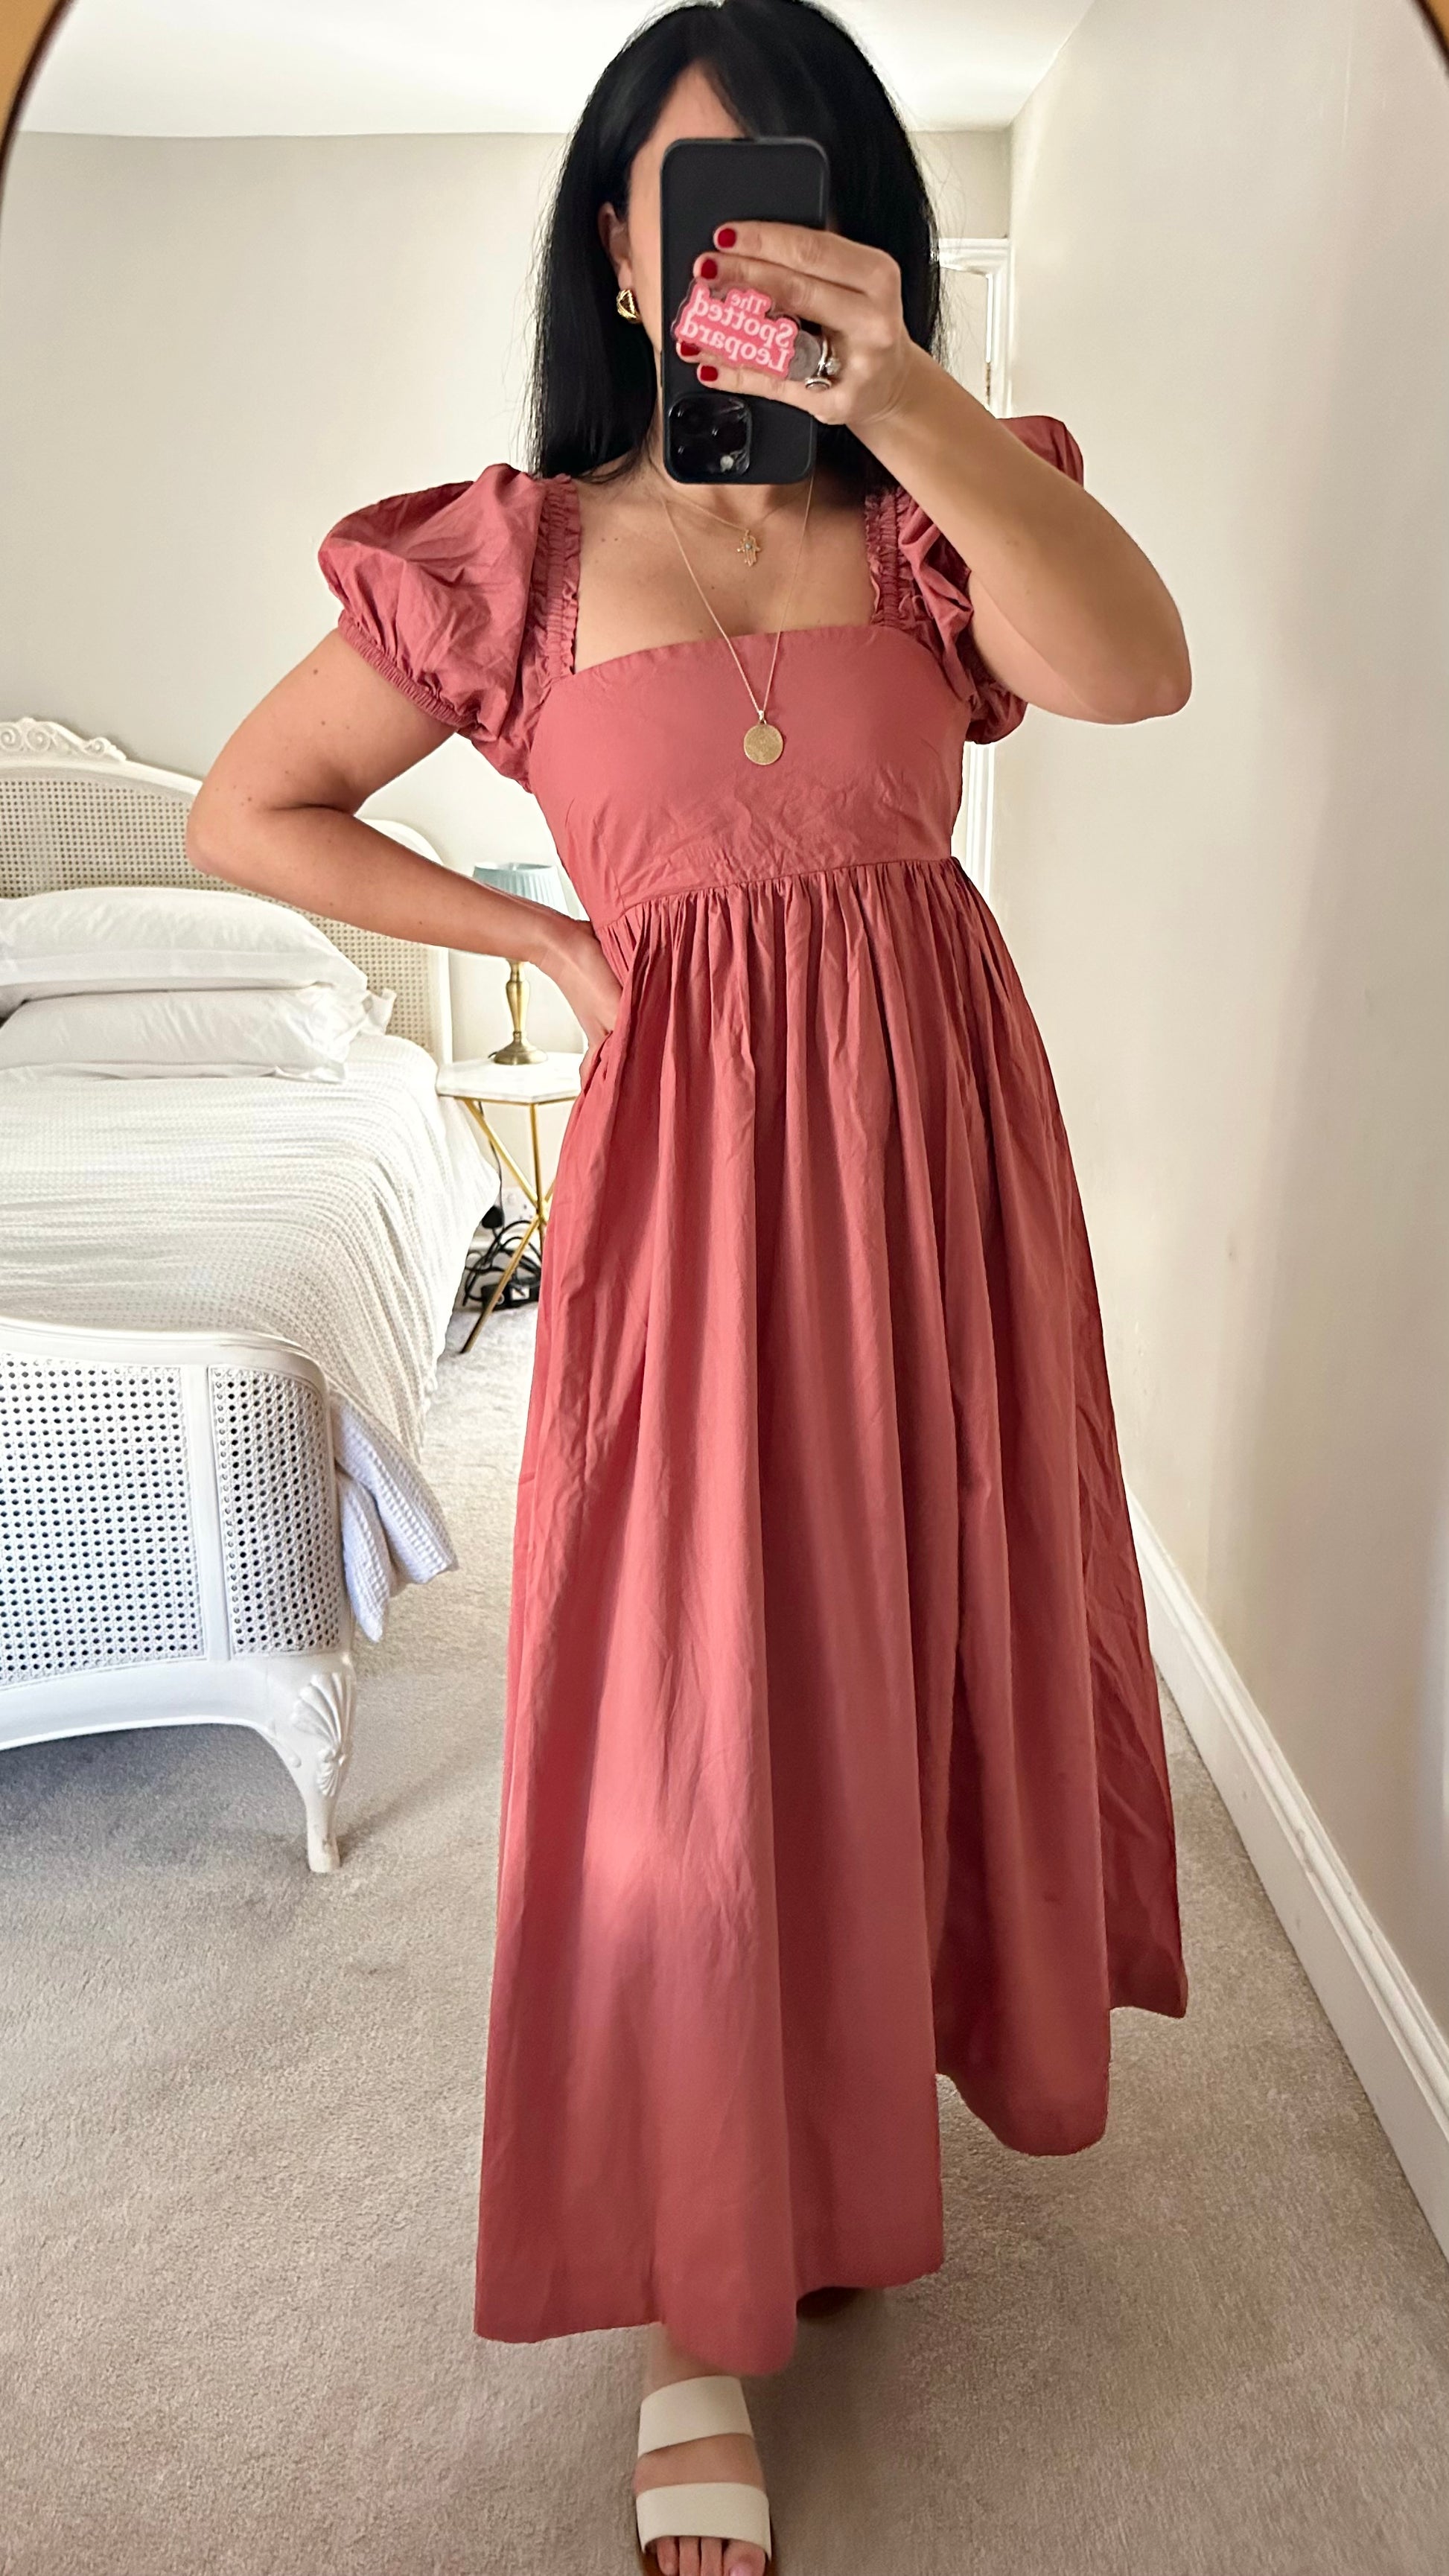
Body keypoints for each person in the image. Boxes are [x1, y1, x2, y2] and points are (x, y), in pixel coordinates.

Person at [188, 3, 1193, 2567]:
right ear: (620, 254)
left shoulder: (942, 513)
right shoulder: (508, 559)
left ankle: (824, 2128)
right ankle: (688, 2311)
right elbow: (248, 810)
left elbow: (1134, 669)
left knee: (907, 1649)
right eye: (691, 198)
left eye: (795, 191)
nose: (742, 239)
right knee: (690, 1713)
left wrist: (909, 399)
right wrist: (536, 942)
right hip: (694, 1194)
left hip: (942, 1171)